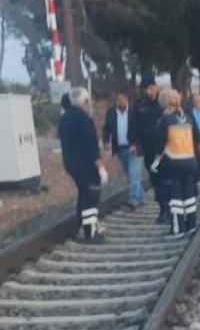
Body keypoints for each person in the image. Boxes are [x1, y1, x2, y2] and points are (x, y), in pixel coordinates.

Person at [152, 88, 200, 237]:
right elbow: (197, 139)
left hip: (173, 162)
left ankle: (177, 228)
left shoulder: (164, 120)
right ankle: (191, 226)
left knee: (175, 196)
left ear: (164, 103)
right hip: (190, 161)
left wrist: (156, 161)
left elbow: (160, 144)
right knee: (189, 195)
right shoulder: (187, 116)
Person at [59, 87, 106, 242]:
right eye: (89, 102)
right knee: (91, 195)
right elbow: (90, 144)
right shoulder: (85, 119)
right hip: (86, 164)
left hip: (71, 163)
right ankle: (90, 232)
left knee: (84, 193)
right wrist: (100, 166)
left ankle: (80, 226)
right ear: (85, 102)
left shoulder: (64, 119)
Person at [131, 76, 169, 222]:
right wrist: (134, 143)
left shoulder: (163, 102)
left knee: (166, 179)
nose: (150, 91)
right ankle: (163, 209)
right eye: (147, 89)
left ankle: (169, 209)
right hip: (148, 148)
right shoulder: (139, 105)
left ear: (156, 87)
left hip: (164, 149)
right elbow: (133, 125)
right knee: (156, 180)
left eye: (152, 88)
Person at [102, 93, 144, 209]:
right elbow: (106, 128)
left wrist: (136, 144)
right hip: (120, 148)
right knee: (129, 174)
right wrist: (106, 141)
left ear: (127, 100)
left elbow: (142, 130)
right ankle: (141, 196)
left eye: (120, 100)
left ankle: (134, 198)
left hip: (134, 148)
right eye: (117, 101)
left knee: (133, 173)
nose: (118, 103)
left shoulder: (135, 112)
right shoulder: (111, 112)